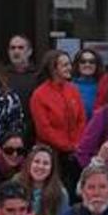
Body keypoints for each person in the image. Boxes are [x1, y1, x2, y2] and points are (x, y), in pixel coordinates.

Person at [30, 50, 86, 194]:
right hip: (52, 154)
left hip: (74, 153)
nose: (70, 68)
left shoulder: (73, 90)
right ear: (53, 69)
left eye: (69, 64)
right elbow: (44, 129)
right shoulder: (39, 95)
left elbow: (81, 119)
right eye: (65, 65)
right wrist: (67, 146)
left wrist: (76, 144)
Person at [14, 144, 69, 215]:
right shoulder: (15, 183)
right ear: (29, 163)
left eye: (46, 163)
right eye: (36, 161)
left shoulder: (60, 193)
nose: (40, 166)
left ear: (52, 168)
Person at [5, 34, 37, 116]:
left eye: (20, 48)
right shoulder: (1, 74)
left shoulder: (38, 75)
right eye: (13, 48)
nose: (16, 51)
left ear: (30, 51)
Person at [72, 48, 105, 121]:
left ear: (97, 65)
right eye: (83, 61)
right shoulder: (69, 87)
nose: (87, 64)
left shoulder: (103, 86)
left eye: (92, 62)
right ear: (77, 64)